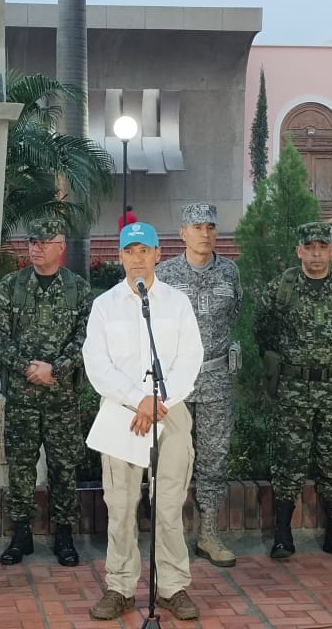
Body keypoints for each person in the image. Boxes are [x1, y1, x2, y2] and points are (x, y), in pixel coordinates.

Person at [83, 222, 204, 622]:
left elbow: (190, 358)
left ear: (157, 254)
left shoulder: (176, 303)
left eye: (144, 250)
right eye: (130, 251)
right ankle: (120, 587)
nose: (137, 258)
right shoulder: (105, 306)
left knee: (168, 506)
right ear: (120, 256)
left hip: (170, 411)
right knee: (120, 506)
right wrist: (138, 400)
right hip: (123, 413)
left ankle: (172, 587)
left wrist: (159, 401)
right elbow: (97, 364)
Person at [254, 222, 332, 560]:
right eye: (310, 248)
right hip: (293, 389)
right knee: (288, 459)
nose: (316, 254)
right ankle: (282, 532)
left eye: (322, 248)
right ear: (299, 251)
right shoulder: (281, 289)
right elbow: (263, 331)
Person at [0, 219, 92, 567]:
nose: (36, 248)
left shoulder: (78, 289)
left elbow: (86, 339)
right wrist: (27, 368)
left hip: (62, 399)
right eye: (32, 242)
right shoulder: (10, 287)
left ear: (60, 246)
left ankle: (64, 534)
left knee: (64, 466)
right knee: (20, 466)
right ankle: (21, 534)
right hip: (22, 399)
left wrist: (55, 369)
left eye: (44, 242)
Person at [154, 204, 241, 568]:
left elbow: (235, 314)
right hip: (177, 383)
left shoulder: (230, 271)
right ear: (183, 233)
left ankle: (208, 533)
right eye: (197, 227)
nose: (205, 233)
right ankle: (169, 534)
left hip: (216, 379)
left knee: (214, 458)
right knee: (171, 459)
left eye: (210, 227)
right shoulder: (165, 273)